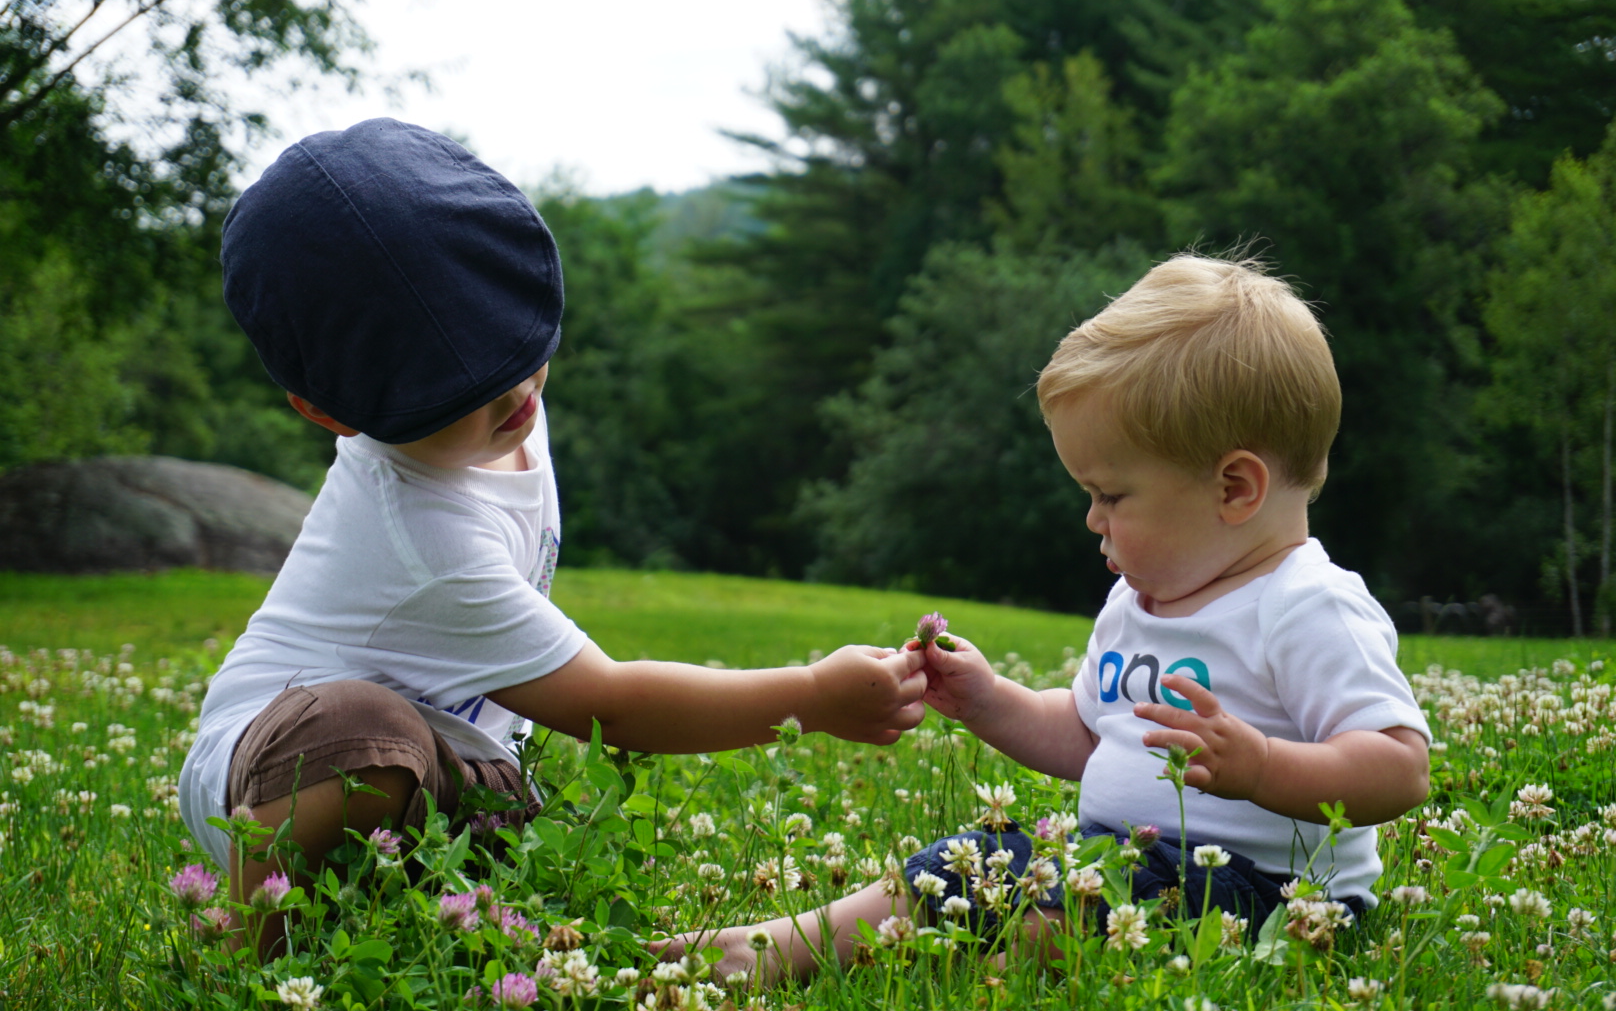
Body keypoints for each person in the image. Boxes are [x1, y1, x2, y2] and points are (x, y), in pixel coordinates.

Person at [176, 119, 928, 932]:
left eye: (515, 349)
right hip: (277, 768)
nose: (513, 395)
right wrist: (812, 697)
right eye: (454, 395)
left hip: (452, 769)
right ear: (332, 414)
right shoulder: (421, 534)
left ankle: (410, 916)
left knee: (521, 844)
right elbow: (612, 705)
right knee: (367, 732)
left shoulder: (507, 411)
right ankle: (265, 939)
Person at [669, 253, 1431, 980]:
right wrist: (989, 702)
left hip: (1265, 897)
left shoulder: (1306, 604)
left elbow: (1400, 768)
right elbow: (1088, 736)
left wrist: (1263, 767)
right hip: (1109, 861)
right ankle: (776, 947)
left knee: (1057, 922)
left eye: (1111, 495)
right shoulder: (1136, 601)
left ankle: (993, 970)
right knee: (970, 862)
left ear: (1234, 488)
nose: (1093, 519)